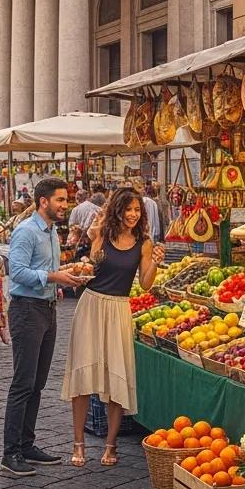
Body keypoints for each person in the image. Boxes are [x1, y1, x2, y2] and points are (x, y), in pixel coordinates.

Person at [62, 188, 162, 467]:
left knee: (116, 376)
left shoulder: (144, 242)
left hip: (119, 308)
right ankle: (78, 443)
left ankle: (111, 445)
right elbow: (91, 266)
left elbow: (145, 283)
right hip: (91, 305)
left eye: (137, 210)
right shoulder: (101, 234)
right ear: (117, 209)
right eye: (128, 209)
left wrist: (154, 261)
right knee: (82, 376)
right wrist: (93, 237)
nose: (133, 214)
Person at [0, 177, 81, 477]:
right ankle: (10, 453)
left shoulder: (51, 232)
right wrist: (53, 278)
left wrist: (63, 277)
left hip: (47, 310)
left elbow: (47, 272)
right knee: (23, 383)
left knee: (37, 382)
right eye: (60, 199)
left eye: (65, 199)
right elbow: (18, 272)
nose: (65, 205)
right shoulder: (26, 231)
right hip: (26, 311)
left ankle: (27, 443)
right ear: (43, 201)